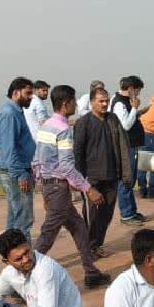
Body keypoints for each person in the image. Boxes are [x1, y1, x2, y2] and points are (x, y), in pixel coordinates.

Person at [33, 85, 112, 289]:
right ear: (66, 103)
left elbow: (37, 161)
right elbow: (67, 167)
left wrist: (43, 189)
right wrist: (89, 189)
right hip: (58, 189)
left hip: (53, 188)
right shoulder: (64, 130)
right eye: (74, 101)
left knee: (79, 228)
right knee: (47, 236)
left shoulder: (46, 125)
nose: (77, 105)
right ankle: (20, 277)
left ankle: (91, 272)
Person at [74, 87, 132, 259]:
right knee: (92, 216)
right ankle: (88, 248)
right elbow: (77, 153)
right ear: (92, 102)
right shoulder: (83, 123)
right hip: (92, 178)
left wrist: (126, 173)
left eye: (106, 100)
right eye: (101, 101)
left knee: (106, 215)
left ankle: (97, 245)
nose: (105, 104)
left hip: (112, 176)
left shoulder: (113, 119)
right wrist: (81, 181)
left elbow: (123, 145)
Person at [0, 78, 37, 241]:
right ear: (15, 93)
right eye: (27, 93)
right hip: (15, 172)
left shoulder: (15, 111)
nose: (30, 97)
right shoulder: (9, 113)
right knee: (23, 221)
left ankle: (11, 256)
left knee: (15, 218)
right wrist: (20, 173)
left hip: (19, 169)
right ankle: (25, 262)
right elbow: (8, 148)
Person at [111, 76, 148, 224]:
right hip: (127, 146)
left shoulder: (122, 100)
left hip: (131, 146)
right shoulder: (120, 103)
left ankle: (131, 211)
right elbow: (125, 125)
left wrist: (136, 111)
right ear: (131, 89)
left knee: (130, 180)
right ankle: (126, 214)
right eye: (138, 91)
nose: (138, 94)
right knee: (126, 180)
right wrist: (134, 109)